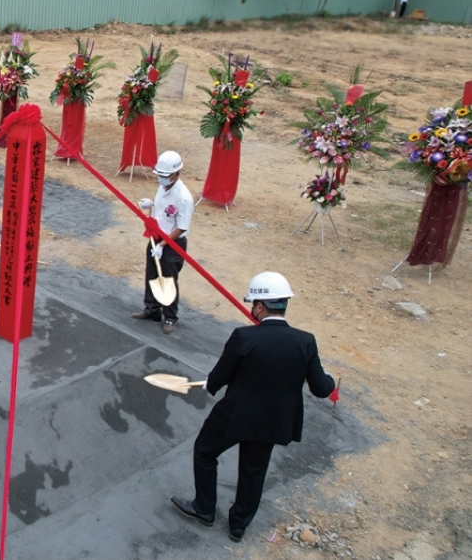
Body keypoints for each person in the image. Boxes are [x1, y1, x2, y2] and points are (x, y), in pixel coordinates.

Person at [170, 271, 336, 543]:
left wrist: (209, 384)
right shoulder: (306, 341)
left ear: (260, 306)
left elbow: (221, 375)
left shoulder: (243, 337)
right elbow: (321, 388)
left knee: (205, 451)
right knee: (254, 469)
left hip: (236, 416)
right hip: (273, 421)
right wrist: (330, 383)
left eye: (253, 306)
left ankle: (204, 508)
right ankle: (238, 525)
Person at [131, 150, 192, 334]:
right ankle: (152, 310)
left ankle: (170, 317)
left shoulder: (183, 197)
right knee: (152, 275)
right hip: (155, 237)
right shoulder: (162, 187)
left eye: (166, 176)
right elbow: (163, 211)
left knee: (168, 280)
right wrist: (151, 204)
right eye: (160, 175)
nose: (162, 179)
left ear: (177, 174)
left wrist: (163, 245)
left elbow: (181, 227)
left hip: (172, 244)